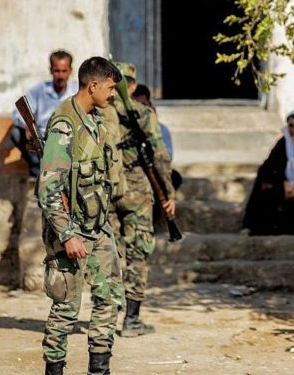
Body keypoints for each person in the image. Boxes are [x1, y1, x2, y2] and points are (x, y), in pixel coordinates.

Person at [38, 57, 124, 375]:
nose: (113, 94)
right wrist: (68, 234)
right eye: (111, 88)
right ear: (93, 85)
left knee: (110, 298)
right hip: (70, 232)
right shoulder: (65, 124)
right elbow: (48, 191)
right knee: (66, 306)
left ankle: (99, 369)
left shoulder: (94, 120)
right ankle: (55, 369)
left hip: (97, 228)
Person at [109, 62, 176, 338]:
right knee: (138, 253)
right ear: (133, 85)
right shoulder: (144, 113)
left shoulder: (99, 114)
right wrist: (169, 192)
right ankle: (131, 320)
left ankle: (105, 316)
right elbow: (160, 157)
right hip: (137, 191)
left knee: (110, 255)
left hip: (107, 190)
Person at [241, 111, 294, 235]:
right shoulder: (283, 142)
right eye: (291, 126)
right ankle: (250, 224)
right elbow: (268, 167)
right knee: (262, 179)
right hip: (286, 189)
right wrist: (285, 183)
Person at [11, 50, 78, 177]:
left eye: (64, 71)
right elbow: (16, 114)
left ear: (70, 70)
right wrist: (27, 125)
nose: (60, 76)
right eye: (57, 71)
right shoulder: (38, 90)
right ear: (51, 70)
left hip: (68, 140)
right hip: (42, 139)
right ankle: (37, 172)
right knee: (16, 133)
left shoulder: (76, 91)